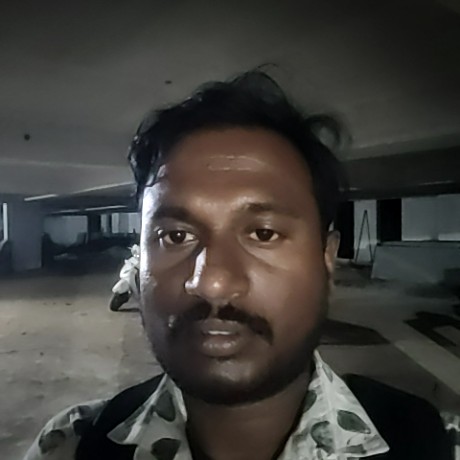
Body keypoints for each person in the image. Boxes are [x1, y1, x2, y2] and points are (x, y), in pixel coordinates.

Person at [24, 72, 459, 460]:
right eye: (175, 236)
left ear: (326, 258)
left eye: (263, 234)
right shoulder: (72, 446)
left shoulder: (437, 446)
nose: (211, 283)